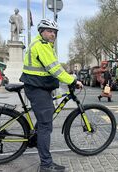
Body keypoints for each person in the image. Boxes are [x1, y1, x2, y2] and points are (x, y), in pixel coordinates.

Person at [19, 19, 83, 172]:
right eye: (49, 31)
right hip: (37, 88)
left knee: (44, 120)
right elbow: (55, 70)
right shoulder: (41, 46)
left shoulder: (44, 45)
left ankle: (35, 138)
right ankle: (46, 165)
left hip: (39, 86)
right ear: (41, 32)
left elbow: (52, 69)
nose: (52, 34)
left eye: (54, 32)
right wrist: (73, 80)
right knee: (45, 126)